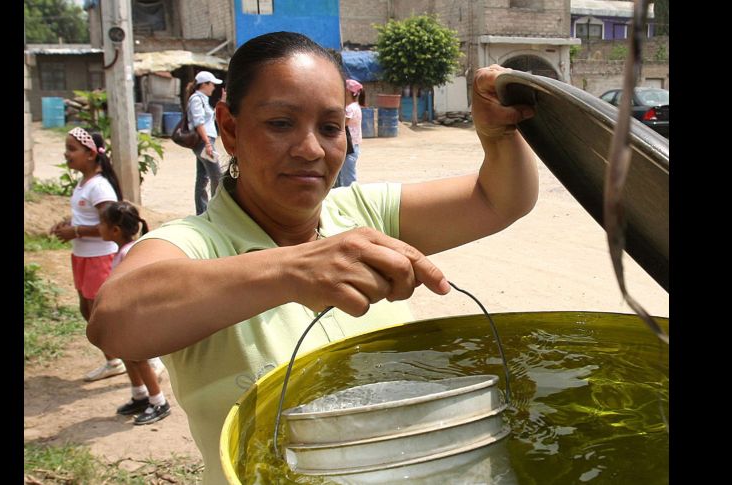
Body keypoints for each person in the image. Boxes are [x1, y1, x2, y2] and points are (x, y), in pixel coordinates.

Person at [88, 31, 537, 484]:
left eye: (329, 127)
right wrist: (293, 269)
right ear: (229, 128)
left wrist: (497, 134)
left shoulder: (361, 213)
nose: (311, 150)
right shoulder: (196, 245)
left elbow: (498, 199)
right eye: (281, 123)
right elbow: (113, 321)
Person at [50, 127, 124, 382]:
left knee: (102, 315)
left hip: (99, 257)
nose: (67, 153)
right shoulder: (84, 183)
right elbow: (85, 216)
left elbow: (109, 226)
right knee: (87, 309)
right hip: (82, 256)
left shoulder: (100, 187)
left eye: (72, 149)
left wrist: (76, 231)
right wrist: (67, 224)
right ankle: (114, 359)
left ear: (91, 154)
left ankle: (140, 359)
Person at [98, 201, 171, 425]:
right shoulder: (125, 250)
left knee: (139, 359)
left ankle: (158, 401)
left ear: (115, 230)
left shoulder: (129, 253)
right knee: (128, 355)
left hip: (136, 317)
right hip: (128, 316)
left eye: (101, 223)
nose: (98, 227)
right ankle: (139, 394)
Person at [187, 70, 224, 214]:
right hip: (204, 142)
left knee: (203, 178)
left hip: (205, 141)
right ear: (204, 84)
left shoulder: (202, 99)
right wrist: (208, 143)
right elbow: (199, 122)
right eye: (212, 84)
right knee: (217, 175)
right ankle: (217, 210)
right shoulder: (197, 99)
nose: (213, 88)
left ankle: (202, 211)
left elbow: (208, 119)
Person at [335, 78, 363, 187]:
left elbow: (342, 123)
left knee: (348, 176)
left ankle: (352, 198)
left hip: (349, 146)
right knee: (346, 174)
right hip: (353, 146)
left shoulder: (350, 108)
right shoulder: (355, 106)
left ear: (347, 92)